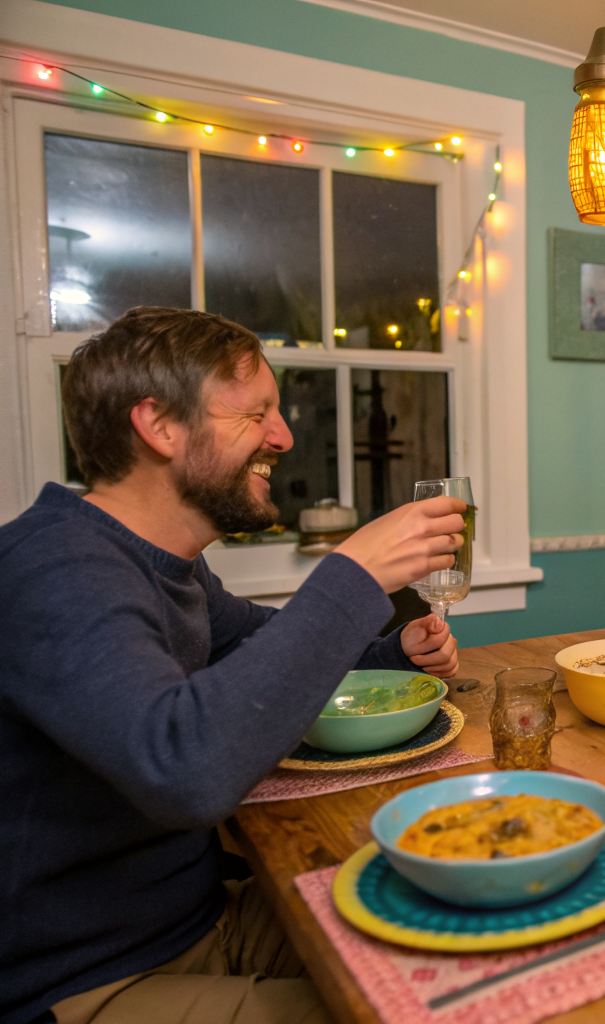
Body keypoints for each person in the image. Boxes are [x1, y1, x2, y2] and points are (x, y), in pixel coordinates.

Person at [0, 307, 469, 1024]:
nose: (283, 436)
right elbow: (184, 769)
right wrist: (351, 573)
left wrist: (391, 651)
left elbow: (261, 653)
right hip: (92, 979)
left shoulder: (168, 568)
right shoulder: (54, 566)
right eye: (256, 414)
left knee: (465, 952)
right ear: (159, 426)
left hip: (204, 919)